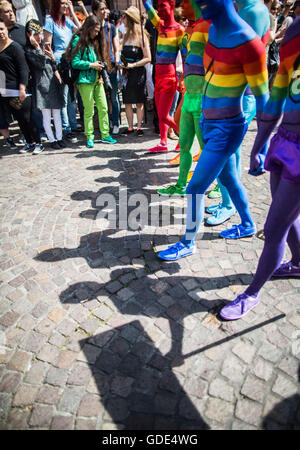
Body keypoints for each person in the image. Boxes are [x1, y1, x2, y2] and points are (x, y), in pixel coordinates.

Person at [157, 0, 269, 262]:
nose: (196, 6)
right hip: (208, 122)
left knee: (195, 187)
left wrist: (260, 150)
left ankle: (187, 242)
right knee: (229, 179)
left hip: (227, 128)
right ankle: (248, 224)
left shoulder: (248, 41)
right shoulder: (213, 30)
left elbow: (265, 103)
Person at [220, 15, 300, 320]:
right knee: (287, 216)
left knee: (275, 226)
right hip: (285, 139)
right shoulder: (293, 30)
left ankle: (251, 292)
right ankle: (299, 263)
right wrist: (258, 145)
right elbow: (278, 92)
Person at [157, 0, 207, 198]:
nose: (181, 5)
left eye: (185, 2)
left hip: (203, 97)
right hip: (189, 96)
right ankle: (180, 184)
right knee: (184, 145)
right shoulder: (187, 28)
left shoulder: (208, 25)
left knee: (207, 149)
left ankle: (220, 187)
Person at [142, 0, 185, 153]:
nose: (159, 10)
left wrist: (184, 78)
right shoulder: (160, 26)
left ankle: (185, 137)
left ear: (172, 7)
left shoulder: (180, 30)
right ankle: (163, 142)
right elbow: (148, 7)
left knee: (164, 114)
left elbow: (186, 57)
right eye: (158, 6)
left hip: (169, 78)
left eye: (162, 6)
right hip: (158, 77)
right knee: (160, 114)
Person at [70, 14, 117, 148]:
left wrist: (100, 71)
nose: (97, 33)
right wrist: (91, 65)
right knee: (89, 110)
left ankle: (105, 134)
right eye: (95, 30)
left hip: (97, 79)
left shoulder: (94, 41)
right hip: (85, 80)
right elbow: (74, 62)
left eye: (98, 31)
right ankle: (89, 136)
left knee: (103, 107)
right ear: (88, 28)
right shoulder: (77, 40)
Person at [0, 19, 43, 153]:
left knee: (28, 118)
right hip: (5, 91)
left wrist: (22, 88)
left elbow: (23, 69)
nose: (0, 32)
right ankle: (29, 142)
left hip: (19, 90)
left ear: (7, 29)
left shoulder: (15, 47)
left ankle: (38, 143)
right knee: (20, 120)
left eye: (2, 29)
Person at [43, 0, 81, 144]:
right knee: (64, 96)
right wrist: (53, 66)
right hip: (59, 62)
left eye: (67, 3)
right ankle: (66, 129)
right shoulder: (49, 21)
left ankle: (72, 124)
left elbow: (81, 30)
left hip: (70, 61)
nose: (65, 6)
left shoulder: (68, 21)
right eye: (63, 3)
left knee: (72, 95)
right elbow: (47, 46)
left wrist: (72, 11)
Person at [25, 18, 65, 149]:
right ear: (29, 35)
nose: (39, 37)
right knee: (47, 116)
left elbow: (53, 65)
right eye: (35, 34)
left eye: (40, 33)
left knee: (57, 114)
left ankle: (59, 138)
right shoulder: (29, 51)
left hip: (53, 84)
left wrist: (53, 58)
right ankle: (52, 140)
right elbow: (40, 64)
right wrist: (37, 47)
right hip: (42, 87)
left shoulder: (44, 47)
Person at [119, 6, 151, 137]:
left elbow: (148, 57)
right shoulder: (125, 36)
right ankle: (130, 127)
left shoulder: (142, 36)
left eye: (125, 17)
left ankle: (139, 127)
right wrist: (122, 64)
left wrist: (134, 65)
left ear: (130, 19)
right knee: (127, 101)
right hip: (126, 74)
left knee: (138, 101)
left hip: (138, 73)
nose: (123, 19)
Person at [91, 0, 120, 136]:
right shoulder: (92, 28)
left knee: (113, 97)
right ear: (95, 11)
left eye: (105, 9)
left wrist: (117, 59)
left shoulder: (111, 27)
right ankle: (105, 124)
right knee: (102, 99)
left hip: (111, 65)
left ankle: (116, 123)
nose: (104, 11)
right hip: (98, 66)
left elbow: (116, 46)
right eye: (101, 9)